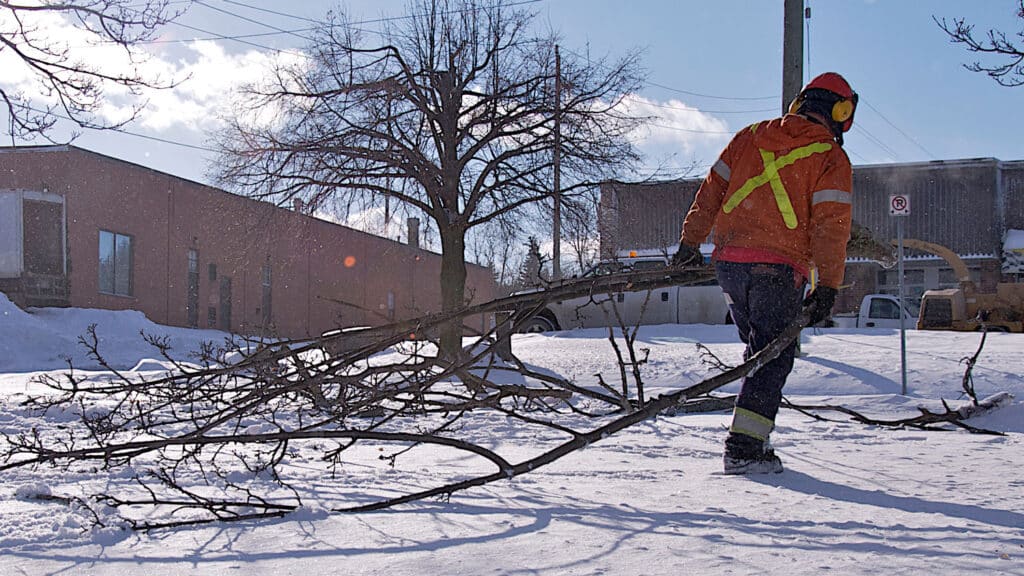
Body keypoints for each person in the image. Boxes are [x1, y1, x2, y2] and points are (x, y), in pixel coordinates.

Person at [672, 72, 856, 475]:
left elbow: (710, 191)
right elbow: (831, 227)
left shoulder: (749, 136)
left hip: (730, 266)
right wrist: (828, 285)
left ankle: (750, 436)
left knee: (760, 350)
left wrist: (690, 243)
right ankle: (744, 448)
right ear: (840, 112)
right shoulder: (830, 157)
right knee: (772, 356)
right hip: (778, 268)